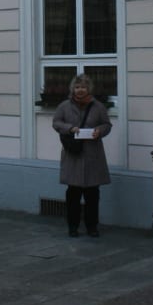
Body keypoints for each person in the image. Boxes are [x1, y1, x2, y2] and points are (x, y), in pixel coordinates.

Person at [52, 73, 112, 237]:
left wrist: (99, 131)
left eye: (83, 87)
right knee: (73, 194)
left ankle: (92, 227)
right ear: (73, 89)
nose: (80, 90)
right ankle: (73, 227)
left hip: (93, 155)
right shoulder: (64, 106)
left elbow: (107, 125)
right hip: (73, 155)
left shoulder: (98, 106)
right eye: (77, 87)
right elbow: (56, 122)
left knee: (93, 194)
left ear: (89, 89)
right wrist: (70, 128)